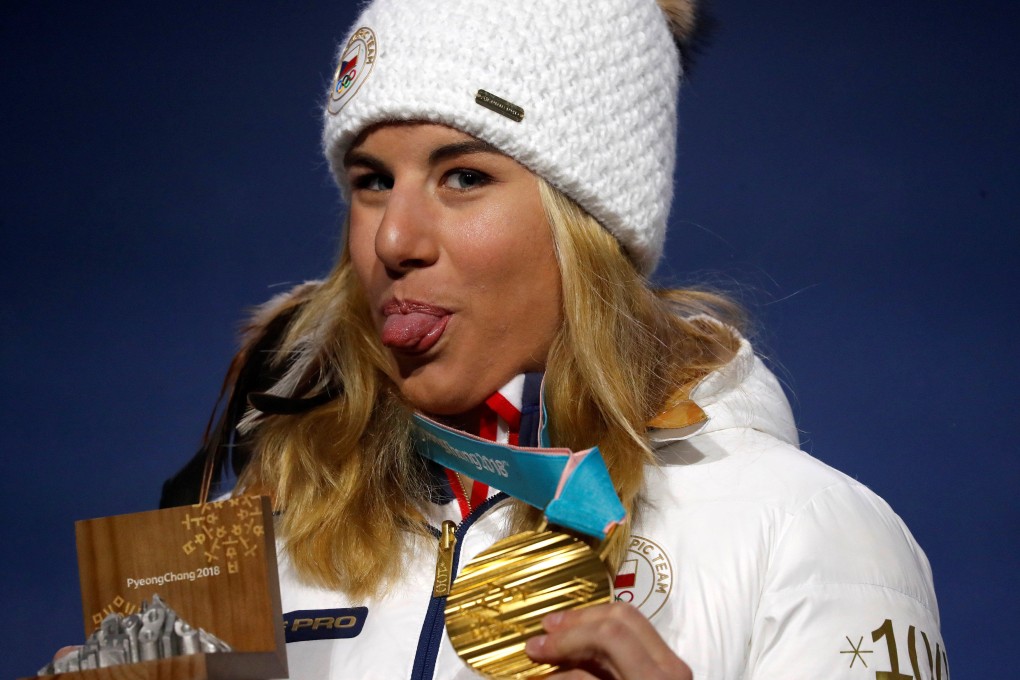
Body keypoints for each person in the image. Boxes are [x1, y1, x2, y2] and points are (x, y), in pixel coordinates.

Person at [160, 1, 946, 678]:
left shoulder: (807, 529)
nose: (393, 238)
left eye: (463, 176)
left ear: (587, 226)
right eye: (371, 181)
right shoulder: (260, 540)